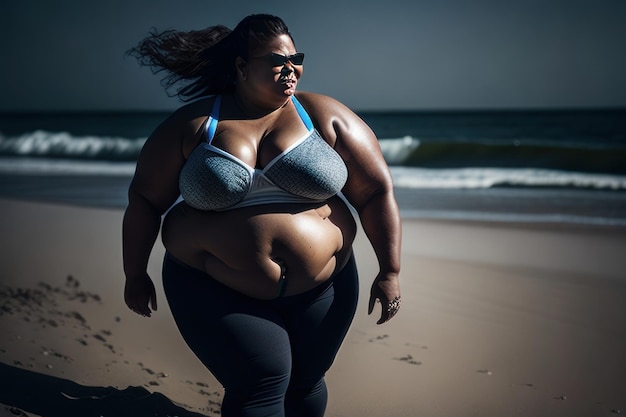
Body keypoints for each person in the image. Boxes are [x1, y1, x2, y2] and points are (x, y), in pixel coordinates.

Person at [122, 14, 402, 417]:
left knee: (307, 379)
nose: (291, 69)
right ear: (241, 66)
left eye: (296, 58)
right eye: (276, 61)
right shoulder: (196, 124)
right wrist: (135, 272)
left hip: (325, 288)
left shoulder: (324, 115)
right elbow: (145, 200)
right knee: (263, 379)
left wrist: (390, 270)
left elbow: (375, 191)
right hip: (212, 288)